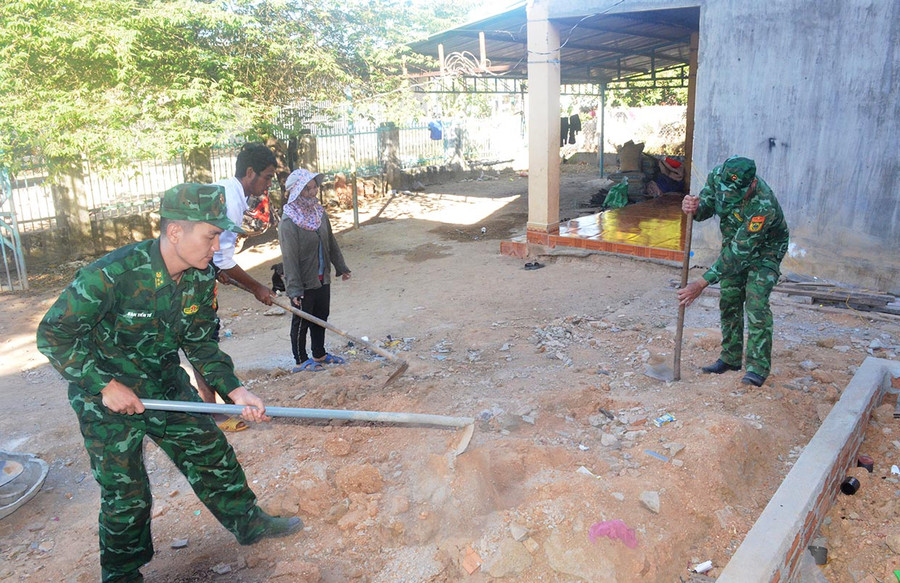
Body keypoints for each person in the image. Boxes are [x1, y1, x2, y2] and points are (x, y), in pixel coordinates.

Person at [36, 184, 302, 583]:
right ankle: (122, 572)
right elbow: (53, 335)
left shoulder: (199, 277)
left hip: (163, 386)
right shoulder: (112, 275)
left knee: (211, 452)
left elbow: (200, 343)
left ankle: (249, 524)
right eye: (211, 235)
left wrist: (235, 389)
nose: (217, 245)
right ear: (176, 231)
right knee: (126, 492)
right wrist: (104, 385)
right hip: (104, 397)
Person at [677, 156, 790, 387]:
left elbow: (740, 252)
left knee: (756, 303)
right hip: (734, 244)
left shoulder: (763, 205)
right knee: (729, 299)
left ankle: (757, 368)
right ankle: (730, 358)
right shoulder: (719, 177)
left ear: (753, 185)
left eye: (737, 194)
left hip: (766, 250)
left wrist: (701, 283)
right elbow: (706, 206)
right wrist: (694, 208)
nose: (730, 196)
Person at [191, 143, 278, 430]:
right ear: (250, 172)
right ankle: (212, 411)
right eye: (266, 177)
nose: (267, 184)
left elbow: (217, 256)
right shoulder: (230, 200)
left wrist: (216, 269)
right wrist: (257, 288)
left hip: (201, 272)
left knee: (203, 341)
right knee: (203, 342)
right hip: (192, 281)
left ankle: (216, 405)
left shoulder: (227, 190)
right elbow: (223, 257)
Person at [278, 169, 352, 372]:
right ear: (296, 193)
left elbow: (331, 243)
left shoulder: (319, 213)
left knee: (321, 316)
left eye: (314, 187)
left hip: (321, 278)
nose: (313, 193)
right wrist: (294, 290)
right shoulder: (289, 222)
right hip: (303, 281)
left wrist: (341, 267)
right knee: (302, 321)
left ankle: (319, 354)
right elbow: (289, 259)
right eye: (307, 189)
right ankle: (301, 359)